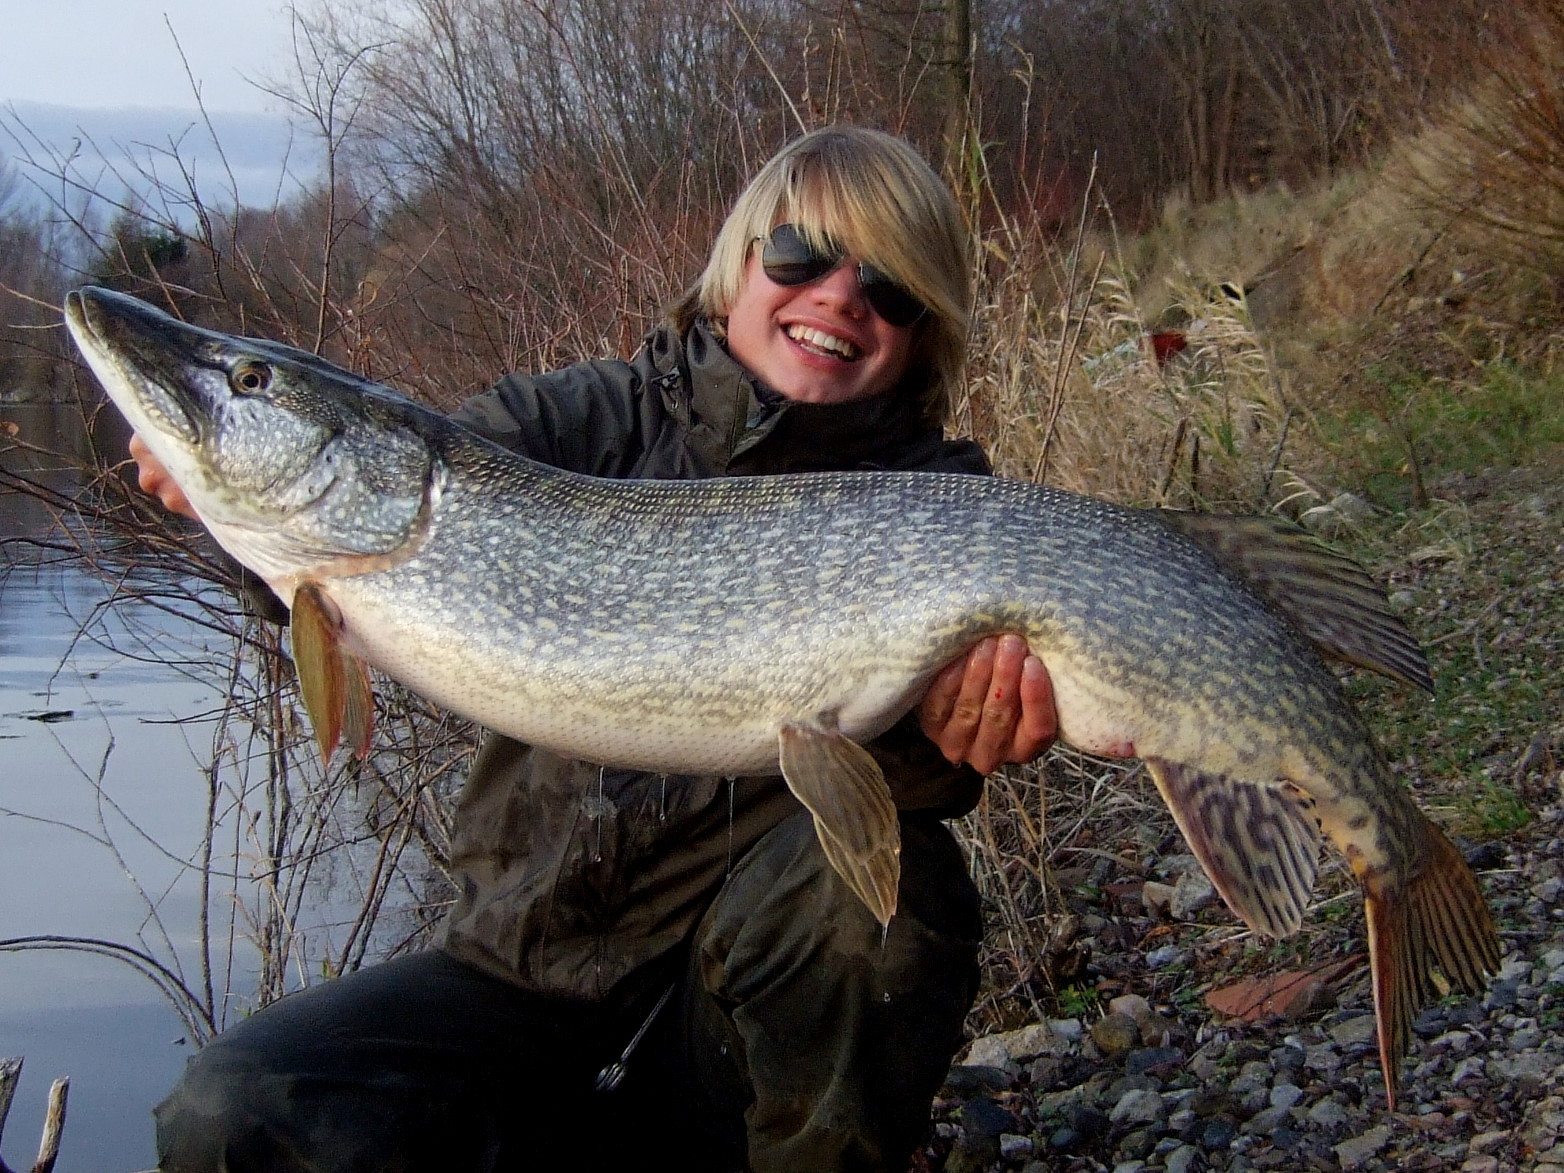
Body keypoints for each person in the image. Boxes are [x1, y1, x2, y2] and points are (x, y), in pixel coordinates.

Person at [136, 126, 1058, 1172]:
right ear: (739, 266)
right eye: (802, 254)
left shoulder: (947, 512)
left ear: (923, 326)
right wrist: (242, 536)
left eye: (888, 284)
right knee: (235, 1114)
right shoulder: (564, 425)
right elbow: (358, 520)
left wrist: (954, 741)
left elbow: (906, 793)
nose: (841, 295)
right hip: (513, 982)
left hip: (721, 1029)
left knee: (886, 910)